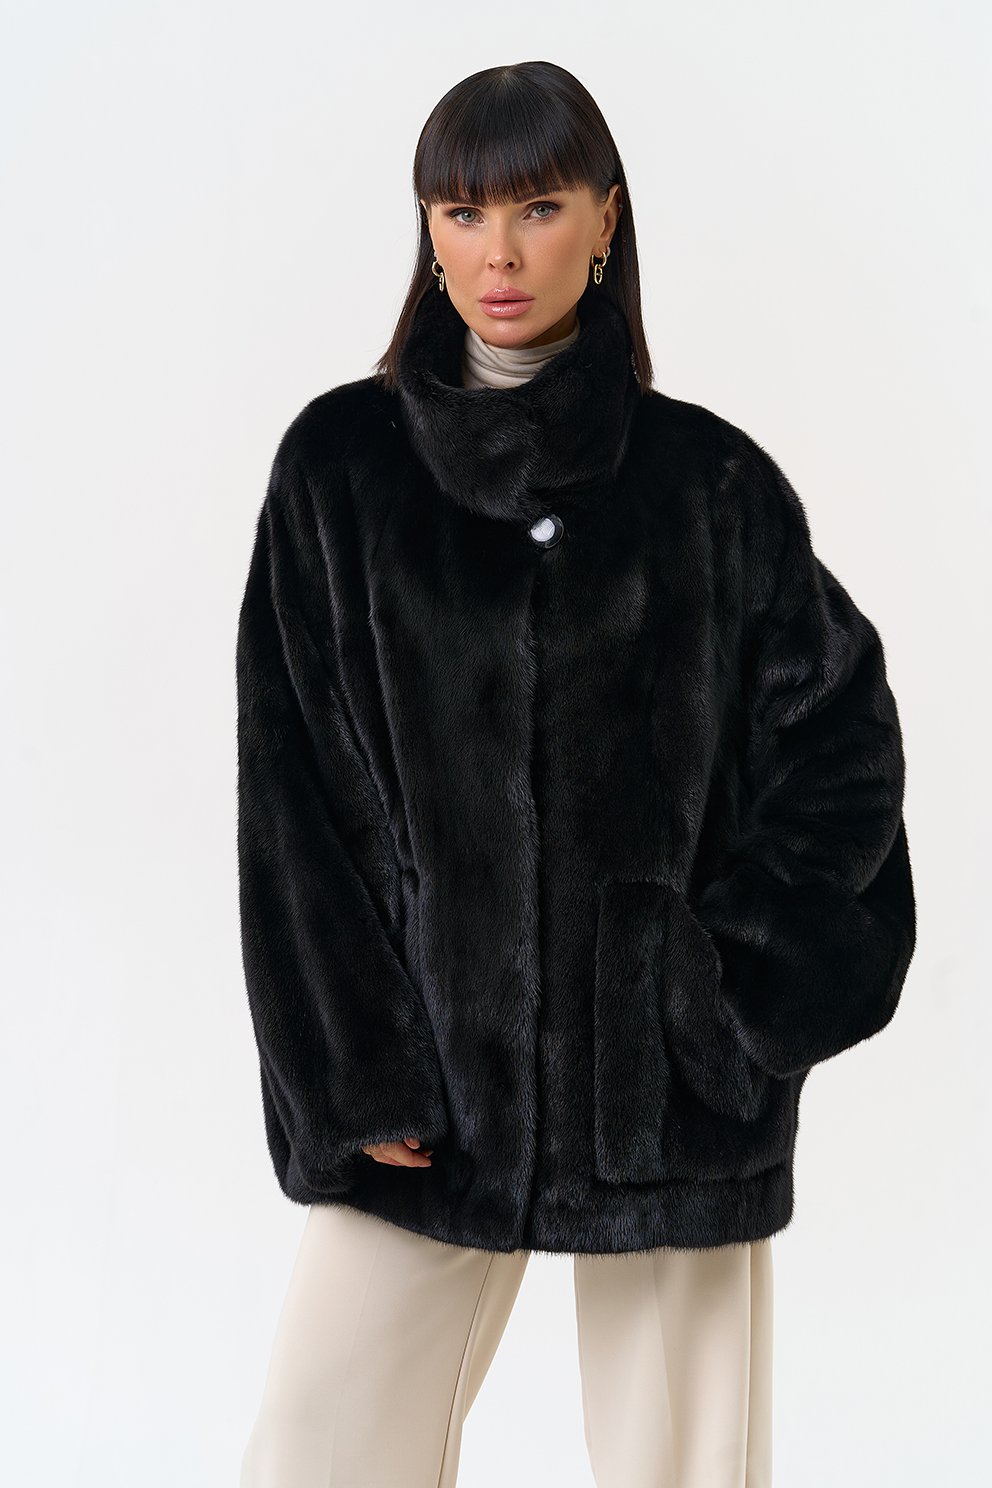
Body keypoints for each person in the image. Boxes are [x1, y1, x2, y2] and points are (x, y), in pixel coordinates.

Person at [235, 60, 916, 1488]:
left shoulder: (712, 487)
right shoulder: (339, 472)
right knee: (319, 1445)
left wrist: (723, 1000)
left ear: (605, 220)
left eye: (537, 207)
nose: (499, 252)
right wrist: (355, 1072)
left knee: (687, 1469)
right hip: (427, 1076)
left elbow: (843, 751)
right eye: (463, 211)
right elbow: (293, 802)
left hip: (667, 1094)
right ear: (429, 230)